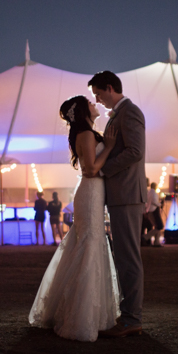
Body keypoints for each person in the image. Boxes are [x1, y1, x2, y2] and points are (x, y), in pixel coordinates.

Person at [29, 94, 119, 341]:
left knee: (87, 244)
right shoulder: (87, 135)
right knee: (89, 244)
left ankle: (84, 311)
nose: (94, 104)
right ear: (83, 111)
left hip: (91, 193)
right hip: (90, 193)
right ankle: (81, 317)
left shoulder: (86, 133)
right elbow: (91, 169)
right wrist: (109, 147)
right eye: (90, 103)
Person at [88, 71, 147, 338]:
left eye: (99, 95)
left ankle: (132, 317)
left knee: (128, 257)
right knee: (123, 256)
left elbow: (135, 151)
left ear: (110, 88)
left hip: (127, 195)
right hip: (121, 196)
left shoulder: (130, 112)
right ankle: (129, 314)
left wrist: (104, 170)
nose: (98, 101)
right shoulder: (120, 114)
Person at [144, 182, 164, 247]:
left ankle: (156, 242)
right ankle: (145, 237)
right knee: (159, 226)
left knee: (157, 227)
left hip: (149, 211)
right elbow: (154, 202)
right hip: (154, 211)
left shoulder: (148, 193)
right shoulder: (154, 193)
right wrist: (160, 204)